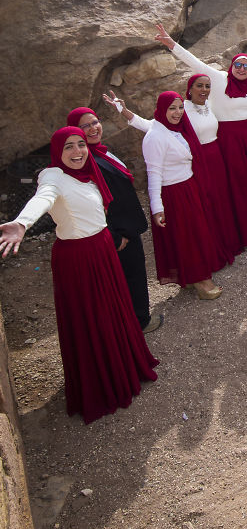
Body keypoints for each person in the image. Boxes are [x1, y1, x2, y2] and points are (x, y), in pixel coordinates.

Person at [0, 127, 158, 423]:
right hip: (79, 257)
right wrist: (22, 223)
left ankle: (124, 368)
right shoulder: (51, 177)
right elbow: (44, 198)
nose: (77, 152)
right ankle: (103, 383)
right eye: (69, 147)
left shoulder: (87, 172)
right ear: (57, 152)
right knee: (92, 317)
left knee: (113, 310)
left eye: (81, 145)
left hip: (101, 249)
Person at [154, 23, 247, 248]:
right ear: (232, 66)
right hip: (229, 140)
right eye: (238, 65)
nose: (241, 69)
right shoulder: (220, 79)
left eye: (246, 66)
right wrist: (172, 44)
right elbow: (195, 62)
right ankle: (245, 232)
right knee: (238, 185)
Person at [105, 76, 244, 264]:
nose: (203, 89)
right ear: (190, 88)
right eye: (199, 86)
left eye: (207, 86)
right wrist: (125, 111)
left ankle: (225, 242)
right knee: (203, 211)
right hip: (192, 165)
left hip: (211, 160)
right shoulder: (180, 111)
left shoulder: (206, 107)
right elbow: (152, 127)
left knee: (220, 202)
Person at [65, 105, 161, 333]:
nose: (92, 128)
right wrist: (114, 236)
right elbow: (90, 205)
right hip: (118, 234)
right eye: (84, 126)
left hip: (126, 227)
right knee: (128, 278)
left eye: (94, 122)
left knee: (135, 274)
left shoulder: (99, 151)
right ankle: (138, 323)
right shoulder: (84, 163)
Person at [142, 92, 228, 299]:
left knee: (195, 233)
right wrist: (157, 207)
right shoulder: (155, 136)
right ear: (162, 109)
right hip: (175, 193)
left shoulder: (175, 129)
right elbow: (153, 174)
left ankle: (191, 275)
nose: (178, 112)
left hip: (188, 187)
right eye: (172, 108)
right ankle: (201, 281)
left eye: (180, 107)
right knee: (190, 236)